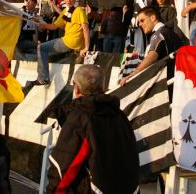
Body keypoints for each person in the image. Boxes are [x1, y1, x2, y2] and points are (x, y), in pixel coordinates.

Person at [47, 65, 139, 193]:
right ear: (102, 87)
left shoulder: (81, 117)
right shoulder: (120, 115)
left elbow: (64, 168)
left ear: (77, 88)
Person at [31, 0, 89, 86]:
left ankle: (43, 78)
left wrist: (86, 47)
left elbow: (86, 28)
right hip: (71, 42)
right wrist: (42, 24)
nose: (68, 0)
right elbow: (54, 26)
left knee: (41, 48)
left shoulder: (79, 10)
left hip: (70, 42)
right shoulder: (67, 11)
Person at [120, 6, 182, 85]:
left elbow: (152, 56)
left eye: (142, 20)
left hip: (172, 81)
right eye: (139, 22)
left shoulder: (159, 33)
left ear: (153, 18)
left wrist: (132, 75)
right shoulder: (165, 31)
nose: (139, 24)